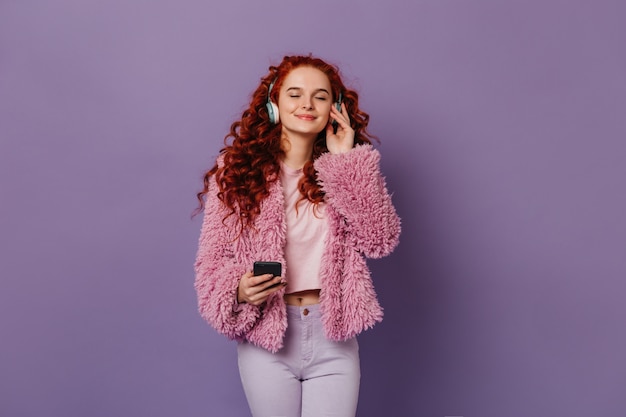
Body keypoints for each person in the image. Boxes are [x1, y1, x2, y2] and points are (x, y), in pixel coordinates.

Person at [194, 54, 401, 417]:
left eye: (320, 96)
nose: (307, 103)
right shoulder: (236, 174)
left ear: (335, 109)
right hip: (268, 335)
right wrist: (238, 290)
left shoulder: (344, 171)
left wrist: (345, 162)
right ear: (274, 103)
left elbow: (380, 238)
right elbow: (210, 264)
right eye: (294, 94)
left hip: (332, 335)